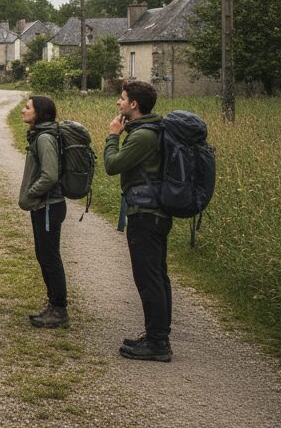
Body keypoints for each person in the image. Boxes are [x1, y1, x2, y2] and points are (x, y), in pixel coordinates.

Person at [104, 78, 172, 362]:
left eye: (122, 99)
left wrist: (112, 136)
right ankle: (157, 335)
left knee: (149, 278)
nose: (118, 103)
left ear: (133, 104)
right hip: (153, 212)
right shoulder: (148, 130)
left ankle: (158, 343)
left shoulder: (143, 135)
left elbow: (113, 165)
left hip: (146, 214)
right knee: (156, 275)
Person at [19, 94, 68, 328]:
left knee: (50, 257)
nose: (23, 110)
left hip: (48, 205)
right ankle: (54, 305)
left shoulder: (45, 138)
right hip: (44, 205)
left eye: (27, 107)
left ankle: (59, 310)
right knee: (44, 255)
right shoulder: (40, 135)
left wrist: (32, 193)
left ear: (39, 113)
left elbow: (50, 175)